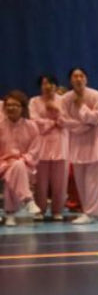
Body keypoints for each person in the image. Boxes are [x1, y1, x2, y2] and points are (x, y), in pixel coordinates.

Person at [62, 67, 98, 224]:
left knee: (94, 179)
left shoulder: (95, 95)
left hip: (95, 141)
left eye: (82, 76)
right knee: (80, 179)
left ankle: (92, 213)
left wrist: (81, 105)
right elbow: (64, 121)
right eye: (75, 76)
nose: (78, 79)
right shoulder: (66, 98)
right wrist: (84, 126)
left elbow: (96, 118)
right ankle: (85, 210)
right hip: (77, 142)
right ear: (70, 80)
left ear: (86, 79)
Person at [30, 74, 69, 221]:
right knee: (40, 181)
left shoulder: (64, 101)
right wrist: (53, 123)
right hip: (41, 145)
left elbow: (67, 122)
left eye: (51, 83)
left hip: (61, 144)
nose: (48, 86)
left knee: (60, 181)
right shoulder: (34, 101)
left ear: (56, 86)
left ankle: (57, 210)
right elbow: (34, 122)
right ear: (40, 86)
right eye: (44, 83)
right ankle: (39, 210)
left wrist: (56, 111)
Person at [1, 91, 42, 226]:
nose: (11, 108)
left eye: (15, 105)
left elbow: (35, 150)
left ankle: (10, 214)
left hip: (25, 164)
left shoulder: (31, 126)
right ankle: (28, 200)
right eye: (8, 105)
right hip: (2, 163)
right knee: (13, 169)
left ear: (22, 108)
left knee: (16, 168)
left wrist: (23, 160)